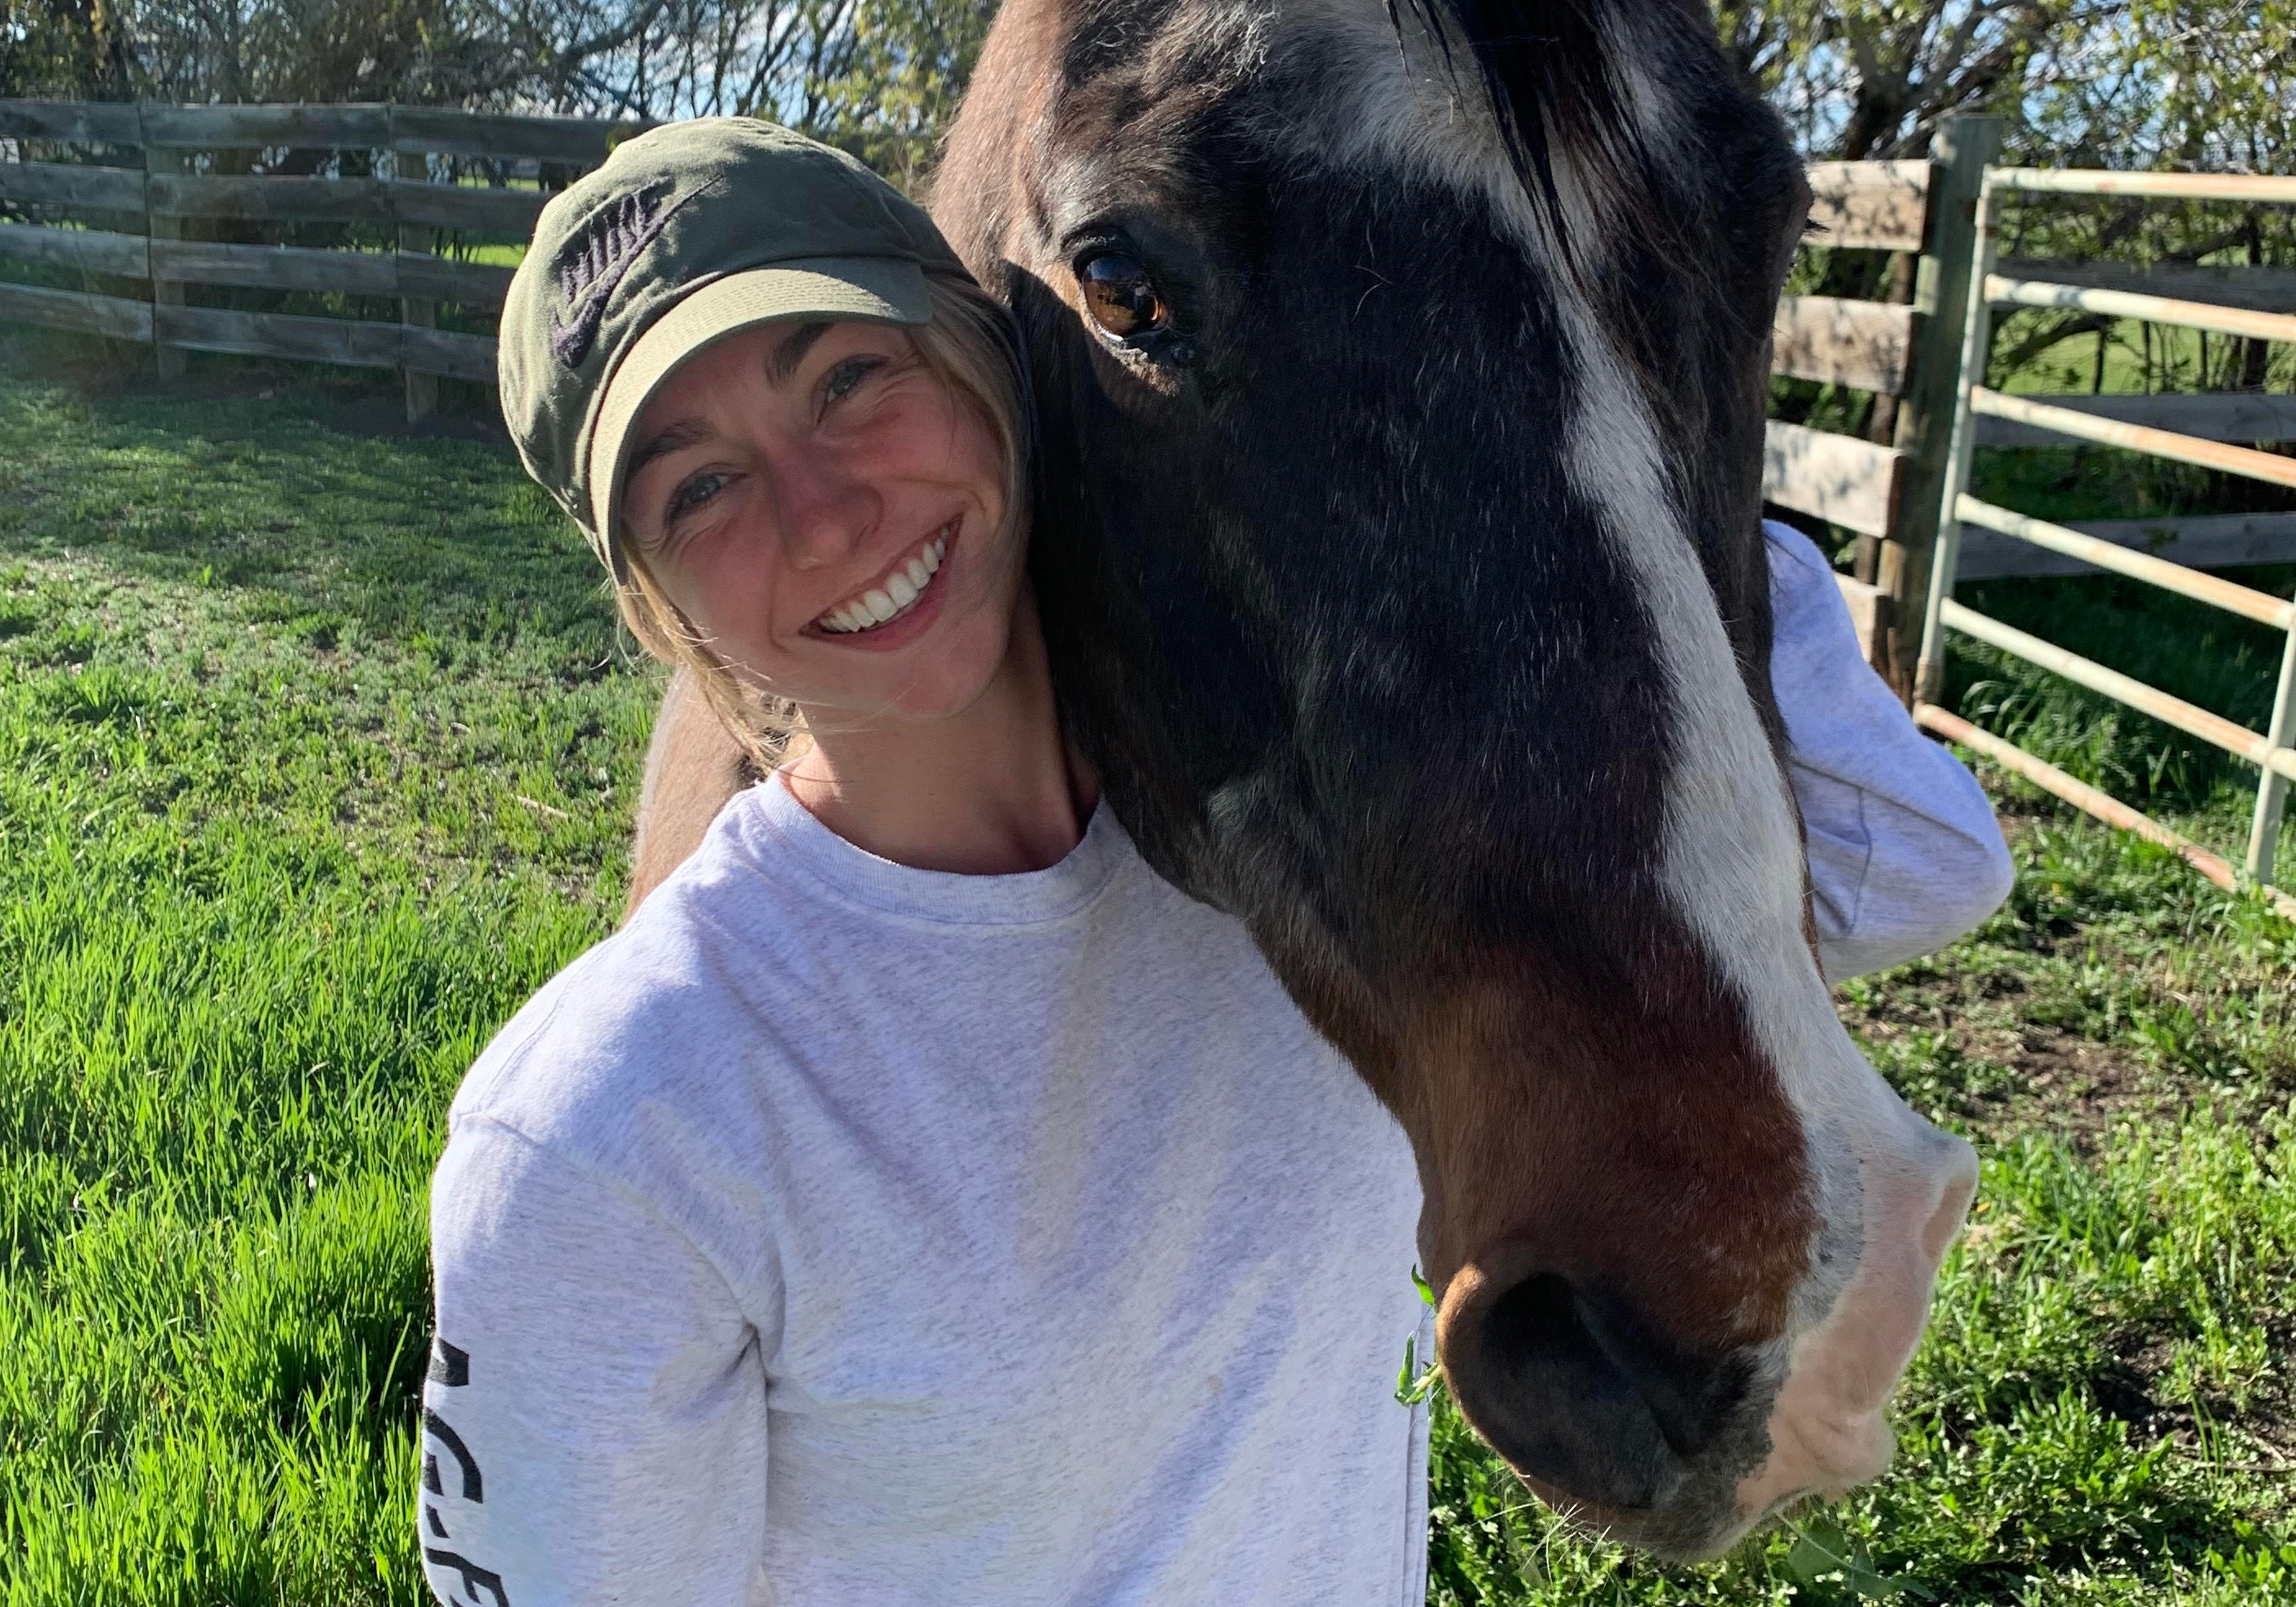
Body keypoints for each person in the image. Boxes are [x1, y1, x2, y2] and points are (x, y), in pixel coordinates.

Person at [419, 117, 2012, 1607]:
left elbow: (1913, 860)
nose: (822, 509)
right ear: (664, 608)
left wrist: (1565, 457)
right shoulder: (607, 1138)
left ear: (995, 353)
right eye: (700, 484)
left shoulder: (1307, 840)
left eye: (846, 376)